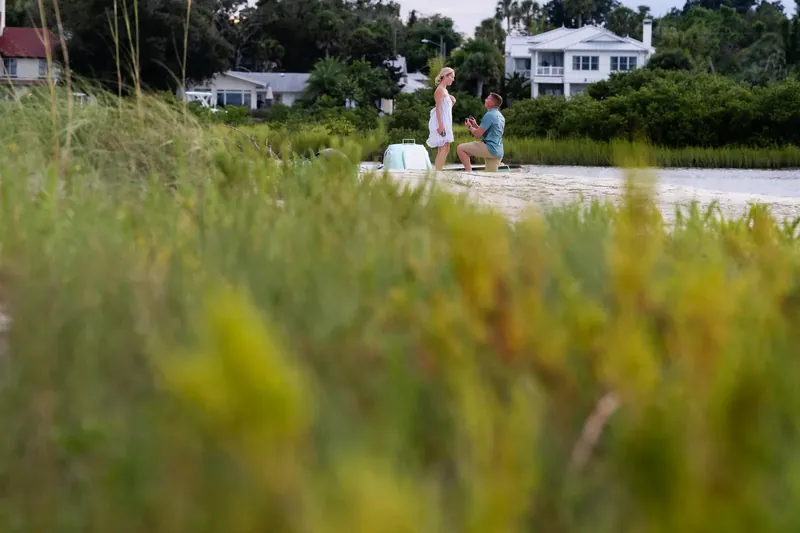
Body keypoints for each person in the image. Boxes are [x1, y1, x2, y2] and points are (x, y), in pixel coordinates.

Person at [457, 93, 505, 172]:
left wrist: (470, 127)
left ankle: (469, 172)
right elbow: (486, 132)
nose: (485, 100)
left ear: (491, 103)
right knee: (491, 176)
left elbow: (477, 134)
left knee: (460, 148)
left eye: (487, 98)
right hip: (498, 151)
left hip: (490, 148)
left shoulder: (489, 115)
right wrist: (475, 125)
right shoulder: (500, 116)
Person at [425, 67, 457, 170]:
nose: (453, 79)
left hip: (445, 121)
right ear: (445, 76)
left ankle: (438, 170)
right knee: (444, 147)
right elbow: (438, 108)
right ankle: (438, 171)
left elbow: (445, 107)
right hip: (441, 121)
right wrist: (441, 125)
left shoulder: (444, 90)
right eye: (451, 77)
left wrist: (452, 100)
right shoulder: (440, 90)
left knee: (444, 147)